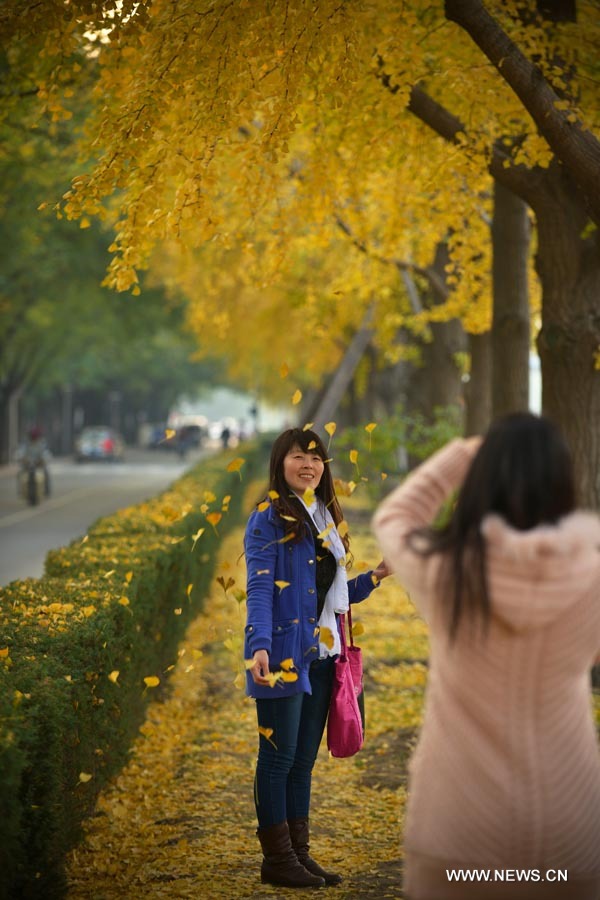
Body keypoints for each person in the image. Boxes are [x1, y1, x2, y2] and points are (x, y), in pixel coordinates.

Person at [372, 412, 600, 900]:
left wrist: (464, 454)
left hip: (457, 826)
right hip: (569, 827)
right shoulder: (591, 578)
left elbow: (393, 518)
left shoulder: (447, 570)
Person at [244, 427, 390, 888]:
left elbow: (332, 595)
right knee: (277, 757)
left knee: (302, 761)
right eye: (297, 456)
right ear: (279, 462)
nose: (308, 464)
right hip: (284, 654)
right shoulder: (268, 516)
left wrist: (377, 576)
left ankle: (298, 855)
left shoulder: (324, 512)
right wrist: (259, 647)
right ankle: (277, 860)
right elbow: (262, 588)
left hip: (325, 654)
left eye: (316, 457)